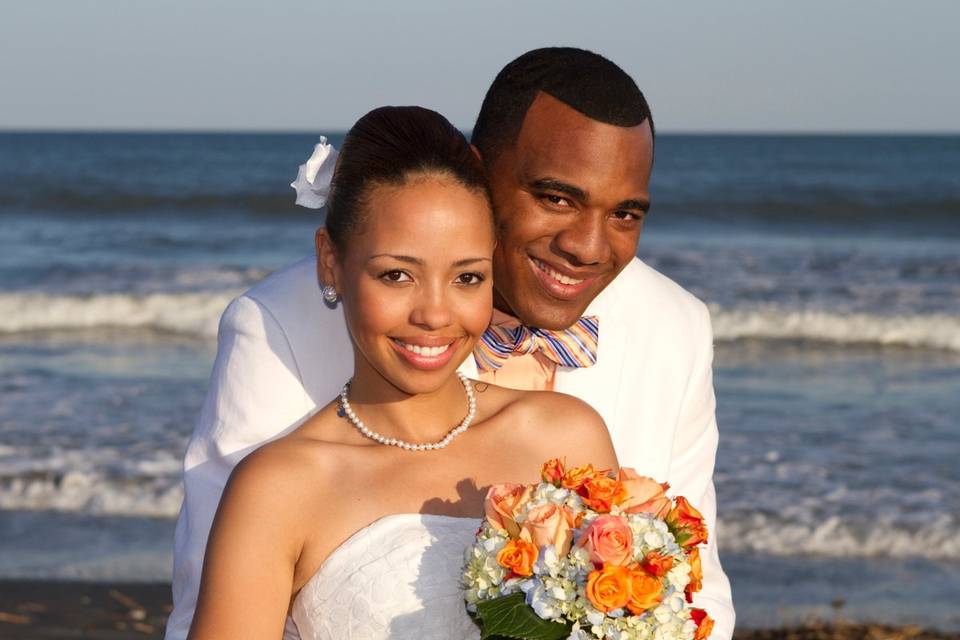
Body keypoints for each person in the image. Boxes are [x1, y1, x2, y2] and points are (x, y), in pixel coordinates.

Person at [167, 47, 734, 639]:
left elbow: (691, 592)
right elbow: (205, 599)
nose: (588, 248)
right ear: (483, 178)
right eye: (557, 198)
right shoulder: (275, 337)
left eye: (624, 213)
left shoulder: (652, 348)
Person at [187, 105, 618, 639]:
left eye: (466, 277)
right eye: (397, 275)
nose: (435, 315)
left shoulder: (566, 438)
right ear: (331, 263)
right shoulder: (277, 489)